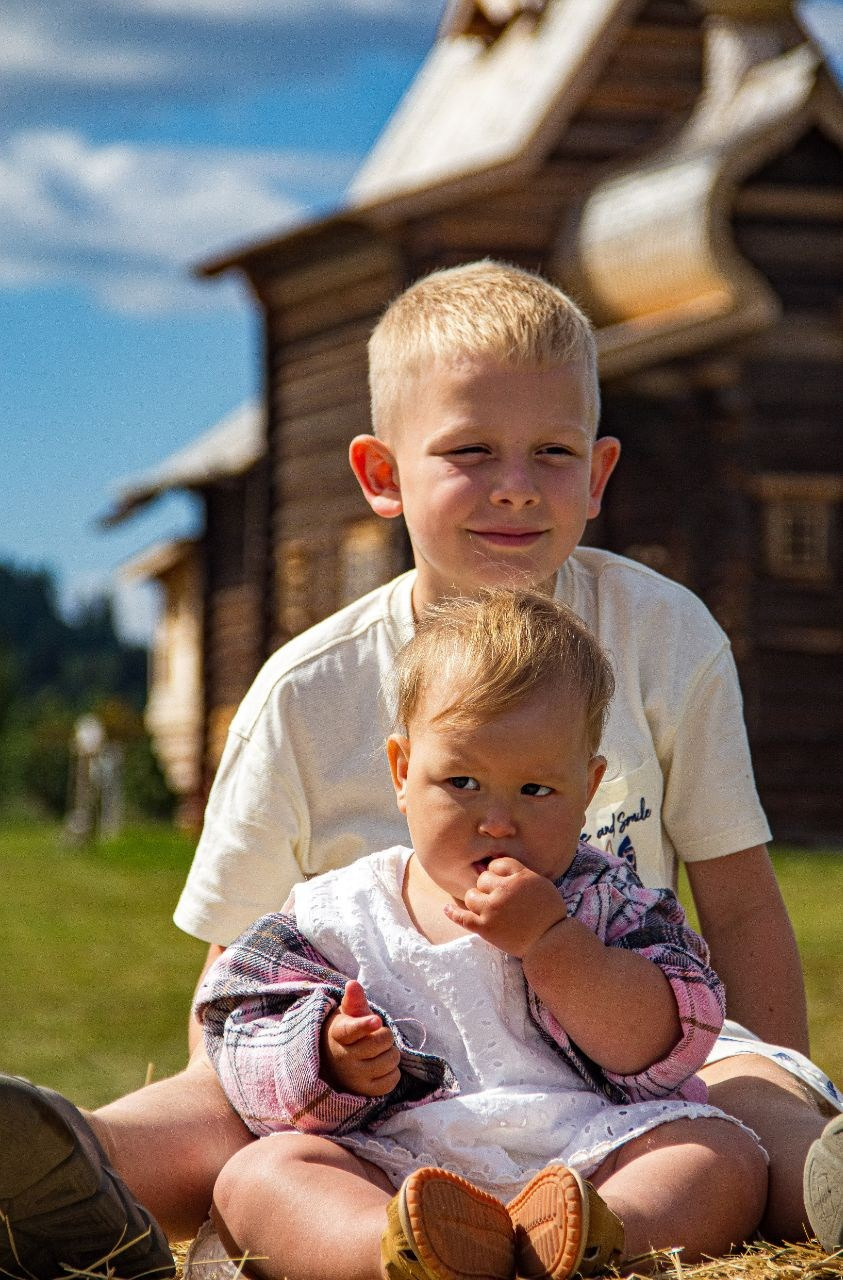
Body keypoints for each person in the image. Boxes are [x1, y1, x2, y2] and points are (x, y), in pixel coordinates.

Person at [0, 261, 840, 1278]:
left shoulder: (664, 636)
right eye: (470, 450)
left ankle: (811, 1180)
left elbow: (738, 900)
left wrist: (778, 1079)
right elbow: (233, 976)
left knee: (745, 1106)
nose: (515, 483)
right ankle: (65, 1173)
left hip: (626, 1061)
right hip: (374, 1096)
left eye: (552, 451)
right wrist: (292, 1070)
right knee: (232, 1132)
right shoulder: (305, 691)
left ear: (598, 472)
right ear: (381, 473)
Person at [195, 589, 768, 1280]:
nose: (497, 821)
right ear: (402, 772)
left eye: (536, 791)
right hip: (394, 1170)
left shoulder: (609, 901)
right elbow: (237, 1030)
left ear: (588, 789)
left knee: (721, 1156)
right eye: (462, 781)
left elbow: (676, 1039)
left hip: (591, 1155)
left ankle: (600, 1237)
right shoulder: (337, 912)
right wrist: (326, 1057)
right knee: (258, 1175)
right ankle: (397, 1254)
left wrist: (555, 943)